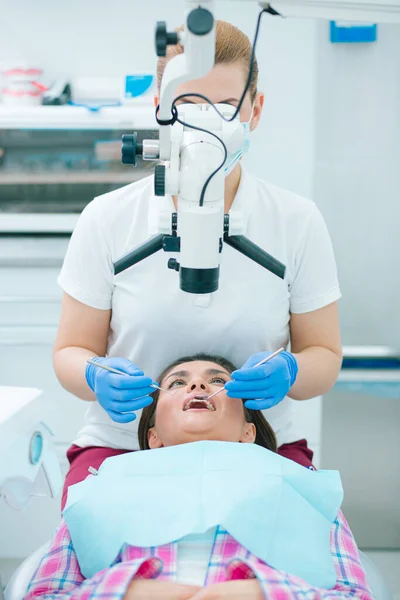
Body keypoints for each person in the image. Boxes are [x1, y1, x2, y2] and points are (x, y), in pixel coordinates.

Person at [53, 19, 342, 511]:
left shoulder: (297, 220)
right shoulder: (108, 218)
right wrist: (96, 375)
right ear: (159, 108)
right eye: (187, 105)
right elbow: (71, 351)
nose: (205, 124)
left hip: (258, 446)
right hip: (125, 445)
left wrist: (292, 372)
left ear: (256, 110)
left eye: (226, 106)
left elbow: (324, 356)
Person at [26, 356, 370, 600]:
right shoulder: (97, 493)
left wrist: (259, 592)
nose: (198, 384)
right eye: (177, 383)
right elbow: (44, 594)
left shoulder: (303, 491)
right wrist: (130, 592)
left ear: (248, 431)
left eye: (218, 380)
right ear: (153, 436)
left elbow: (353, 595)